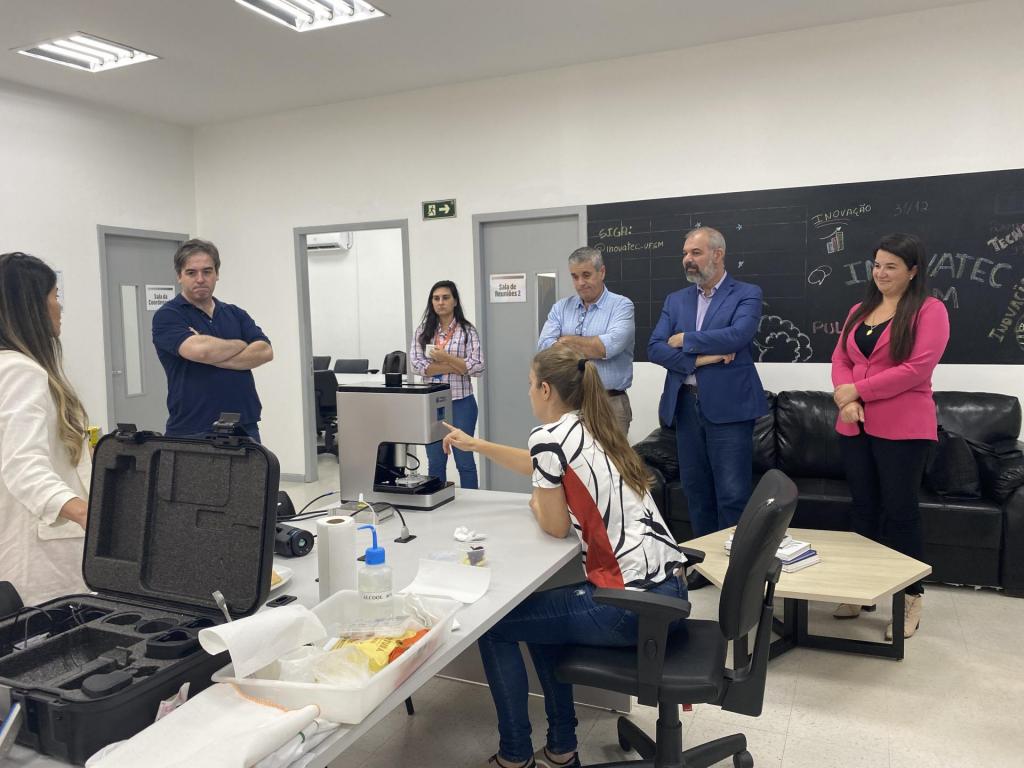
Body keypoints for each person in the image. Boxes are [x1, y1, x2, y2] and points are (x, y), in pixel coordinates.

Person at [443, 345, 685, 768]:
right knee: (542, 622)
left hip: (628, 605)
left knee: (494, 627)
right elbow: (541, 465)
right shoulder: (596, 427)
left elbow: (554, 524)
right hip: (670, 593)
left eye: (530, 385)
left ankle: (515, 755)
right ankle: (560, 748)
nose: (528, 393)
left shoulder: (549, 436)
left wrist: (539, 503)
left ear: (546, 389)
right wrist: (477, 445)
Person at [830, 233, 949, 640]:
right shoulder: (859, 310)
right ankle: (860, 591)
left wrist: (857, 390)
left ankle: (910, 597)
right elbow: (840, 358)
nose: (881, 273)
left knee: (900, 512)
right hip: (854, 423)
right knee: (863, 509)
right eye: (877, 265)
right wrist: (846, 399)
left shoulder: (930, 310)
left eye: (891, 266)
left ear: (913, 271)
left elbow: (917, 369)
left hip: (903, 426)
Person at [648, 226, 766, 590]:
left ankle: (735, 570)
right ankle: (704, 564)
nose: (688, 259)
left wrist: (685, 340)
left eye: (696, 253)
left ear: (718, 254)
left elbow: (738, 335)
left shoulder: (746, 293)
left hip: (730, 408)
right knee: (696, 491)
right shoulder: (676, 300)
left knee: (732, 493)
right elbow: (654, 347)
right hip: (685, 405)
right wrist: (703, 358)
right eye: (685, 253)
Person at [0, 252, 90, 605]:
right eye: (55, 295)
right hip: (38, 557)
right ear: (32, 306)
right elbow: (23, 465)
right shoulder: (20, 372)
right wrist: (85, 513)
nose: (60, 306)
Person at [152, 239, 272, 441]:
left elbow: (265, 351)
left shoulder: (235, 313)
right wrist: (241, 344)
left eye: (207, 271)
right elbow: (201, 351)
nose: (200, 279)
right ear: (179, 276)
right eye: (191, 273)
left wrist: (213, 356)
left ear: (217, 274)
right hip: (193, 430)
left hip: (244, 426)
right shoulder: (169, 315)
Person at [538, 246, 635, 437]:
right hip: (568, 404)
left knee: (610, 458)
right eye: (575, 277)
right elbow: (544, 347)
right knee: (569, 457)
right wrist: (589, 345)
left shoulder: (622, 306)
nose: (580, 283)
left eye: (586, 275)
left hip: (609, 404)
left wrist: (564, 341)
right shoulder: (560, 308)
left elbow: (606, 347)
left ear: (602, 272)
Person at [409, 280, 484, 488]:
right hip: (432, 403)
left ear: (455, 301)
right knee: (435, 461)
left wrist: (445, 358)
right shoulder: (423, 331)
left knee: (465, 461)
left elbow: (478, 367)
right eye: (436, 298)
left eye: (445, 298)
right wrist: (457, 366)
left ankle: (472, 501)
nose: (440, 302)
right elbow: (416, 366)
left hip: (462, 403)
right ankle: (438, 501)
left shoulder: (467, 331)